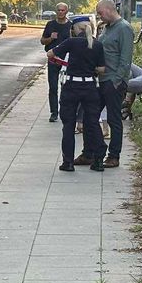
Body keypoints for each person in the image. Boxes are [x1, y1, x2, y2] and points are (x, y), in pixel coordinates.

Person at [79, 0, 132, 169]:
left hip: (114, 81)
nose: (99, 16)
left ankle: (114, 156)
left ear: (109, 10)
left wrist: (116, 81)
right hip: (101, 80)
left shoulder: (124, 28)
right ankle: (89, 153)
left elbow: (125, 59)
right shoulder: (107, 28)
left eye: (100, 13)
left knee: (113, 119)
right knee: (90, 116)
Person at [48, 19, 106, 172]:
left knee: (68, 125)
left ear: (75, 29)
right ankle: (99, 160)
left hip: (71, 87)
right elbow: (101, 69)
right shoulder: (98, 45)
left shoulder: (71, 42)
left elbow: (50, 53)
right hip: (89, 87)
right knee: (93, 123)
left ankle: (68, 162)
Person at [40, 3, 73, 123]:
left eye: (63, 10)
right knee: (53, 87)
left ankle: (64, 110)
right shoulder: (50, 25)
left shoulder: (70, 25)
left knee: (66, 87)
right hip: (53, 60)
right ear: (56, 11)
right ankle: (54, 112)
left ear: (66, 11)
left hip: (66, 61)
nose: (60, 12)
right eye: (58, 10)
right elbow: (42, 41)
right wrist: (50, 38)